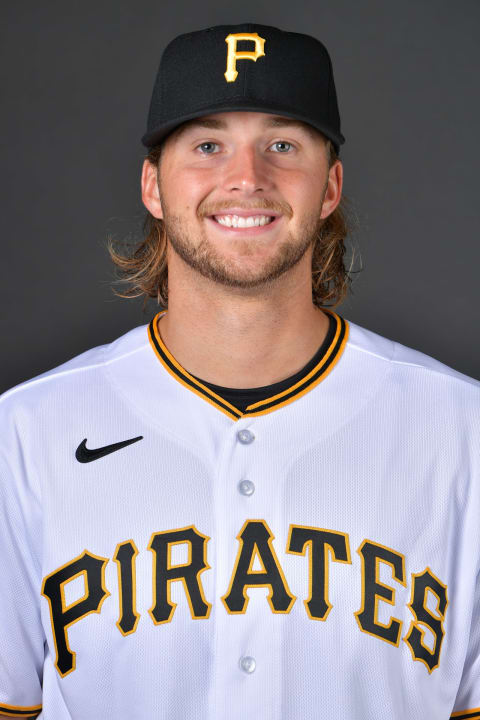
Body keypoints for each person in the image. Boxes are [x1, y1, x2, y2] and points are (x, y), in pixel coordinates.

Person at [0, 22, 479, 720]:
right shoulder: (26, 434)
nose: (247, 178)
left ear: (330, 185)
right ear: (153, 186)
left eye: (283, 145)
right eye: (207, 145)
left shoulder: (463, 433)